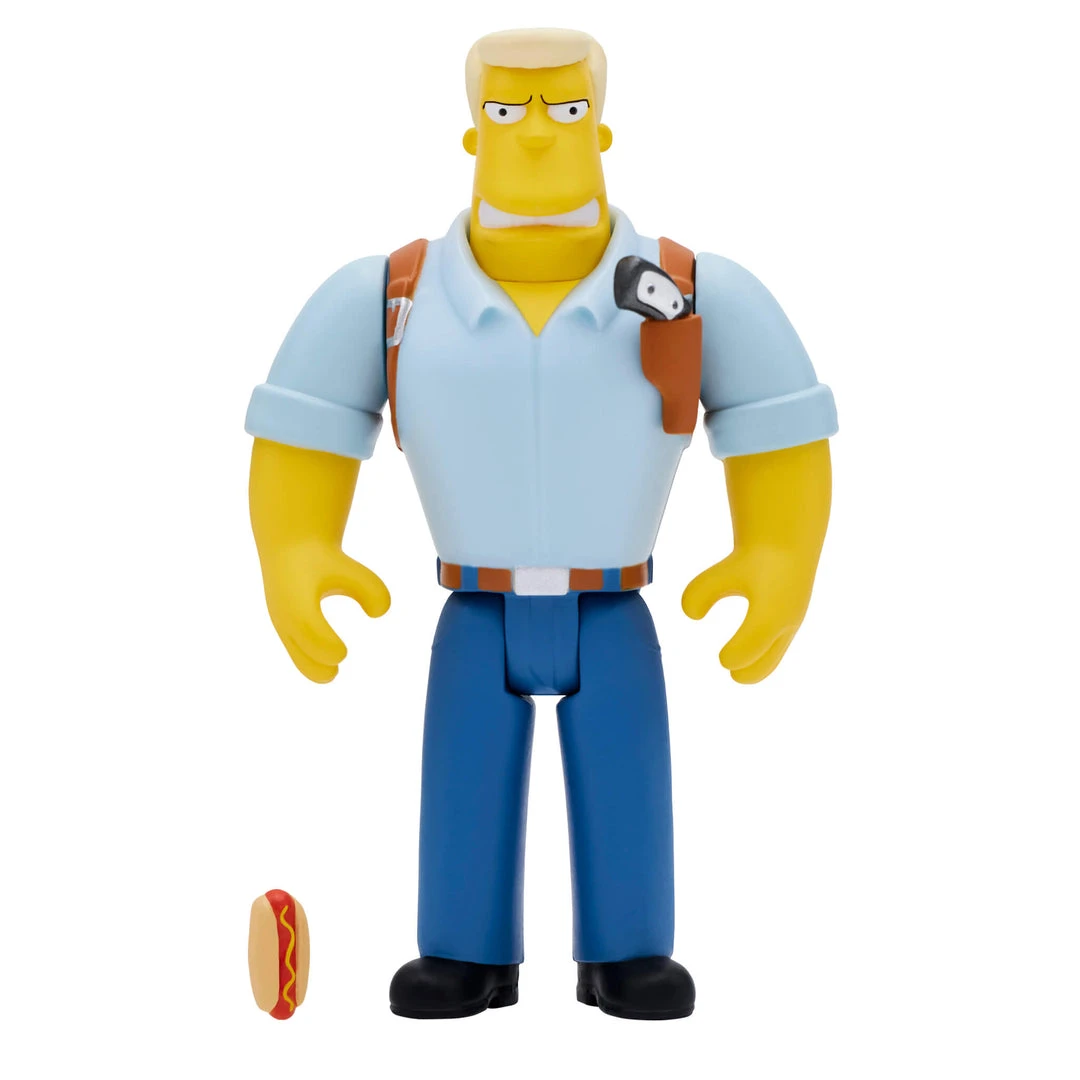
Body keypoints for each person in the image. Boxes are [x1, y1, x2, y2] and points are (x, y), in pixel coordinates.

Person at [245, 27, 837, 1020]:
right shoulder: (397, 294)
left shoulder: (685, 288)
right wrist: (296, 547)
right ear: (471, 132)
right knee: (464, 773)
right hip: (475, 607)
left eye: (563, 110)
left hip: (614, 606)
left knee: (626, 773)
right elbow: (306, 419)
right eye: (506, 111)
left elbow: (777, 415)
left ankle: (629, 953)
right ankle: (463, 953)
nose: (532, 135)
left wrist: (778, 552)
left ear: (601, 129)